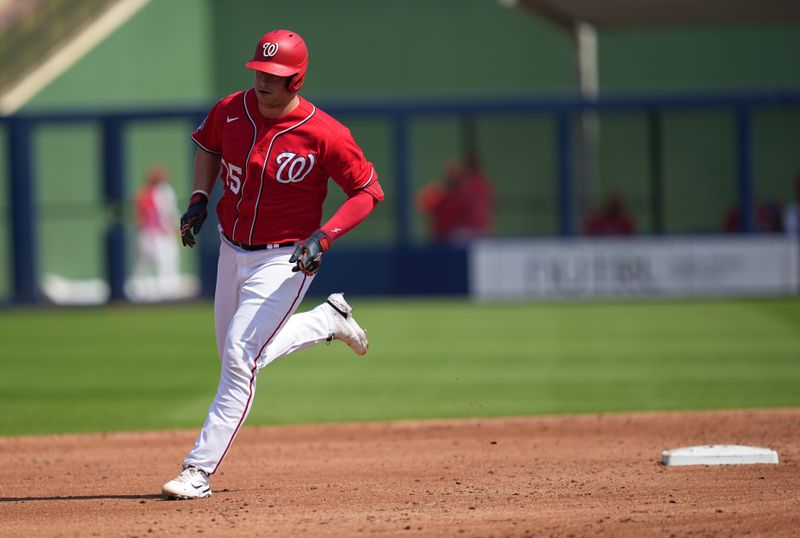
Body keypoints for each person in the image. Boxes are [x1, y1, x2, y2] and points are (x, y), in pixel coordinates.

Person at [161, 29, 384, 500]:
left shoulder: (325, 133)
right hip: (231, 248)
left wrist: (325, 236)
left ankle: (198, 470)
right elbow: (207, 145)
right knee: (237, 358)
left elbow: (367, 192)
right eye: (260, 71)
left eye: (275, 75)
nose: (263, 81)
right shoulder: (231, 109)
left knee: (241, 359)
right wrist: (200, 197)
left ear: (296, 79)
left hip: (286, 258)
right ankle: (328, 319)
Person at [415, 153, 494, 243]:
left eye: (455, 173)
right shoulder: (439, 192)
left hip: (461, 236)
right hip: (441, 238)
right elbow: (420, 205)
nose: (453, 176)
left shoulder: (470, 189)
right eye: (450, 173)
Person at [131, 163, 180, 300]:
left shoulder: (165, 191)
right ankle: (139, 291)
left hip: (162, 233)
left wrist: (176, 232)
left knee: (166, 261)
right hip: (150, 233)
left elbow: (171, 214)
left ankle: (167, 291)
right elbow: (140, 214)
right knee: (143, 263)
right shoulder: (145, 192)